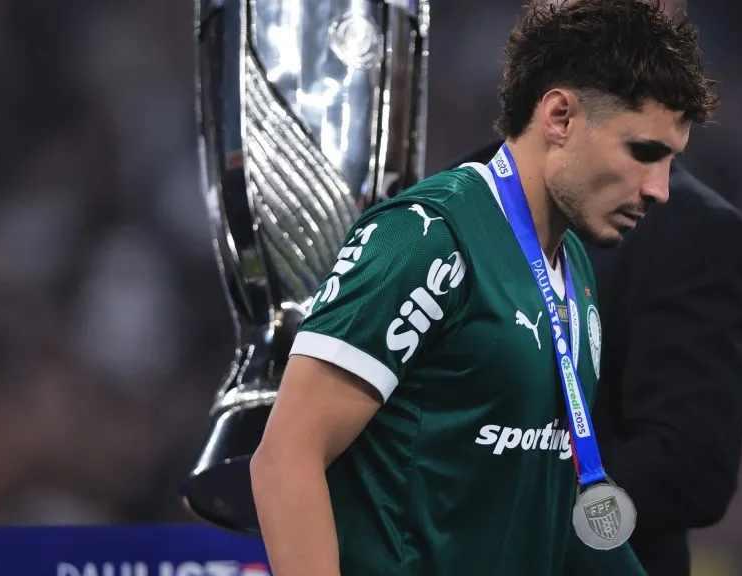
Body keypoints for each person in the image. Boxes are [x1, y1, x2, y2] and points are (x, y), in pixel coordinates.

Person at [248, 1, 718, 574]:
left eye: (670, 161)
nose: (660, 189)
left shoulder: (574, 268)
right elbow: (286, 459)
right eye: (643, 152)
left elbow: (546, 499)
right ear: (560, 117)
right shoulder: (426, 237)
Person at [453, 13, 742, 575]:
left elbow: (690, 469)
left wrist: (491, 493)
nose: (656, 188)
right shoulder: (446, 204)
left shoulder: (698, 236)